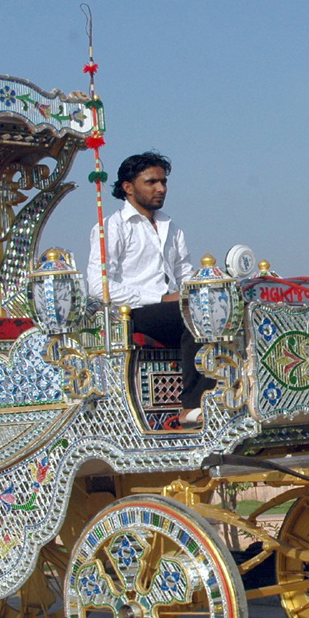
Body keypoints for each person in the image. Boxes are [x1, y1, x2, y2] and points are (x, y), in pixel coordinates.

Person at [86, 151, 207, 425]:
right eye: (151, 182)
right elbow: (98, 286)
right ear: (128, 188)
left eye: (163, 182)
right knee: (194, 315)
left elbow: (184, 274)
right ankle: (191, 406)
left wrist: (204, 287)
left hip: (169, 309)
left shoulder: (170, 227)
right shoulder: (111, 228)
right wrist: (162, 298)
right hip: (134, 312)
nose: (160, 188)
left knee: (220, 312)